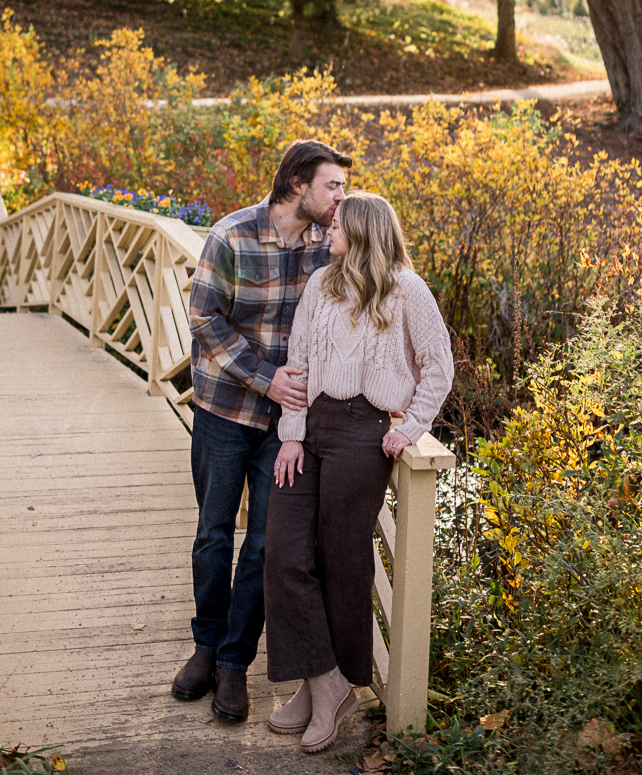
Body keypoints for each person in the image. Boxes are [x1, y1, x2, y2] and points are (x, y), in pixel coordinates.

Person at [263, 190, 454, 753]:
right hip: (314, 426)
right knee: (283, 553)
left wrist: (410, 427)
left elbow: (438, 368)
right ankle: (323, 681)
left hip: (364, 433)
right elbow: (296, 365)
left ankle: (333, 687)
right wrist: (292, 434)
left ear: (365, 231)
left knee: (343, 562)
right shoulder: (321, 285)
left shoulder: (407, 290)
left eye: (337, 226)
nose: (327, 233)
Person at [171, 138, 353, 722]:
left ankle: (233, 663)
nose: (340, 198)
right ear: (298, 184)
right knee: (213, 534)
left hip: (288, 426)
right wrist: (264, 378)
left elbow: (364, 306)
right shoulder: (232, 235)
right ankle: (204, 646)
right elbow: (203, 318)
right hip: (224, 410)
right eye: (333, 186)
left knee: (267, 546)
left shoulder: (330, 250)